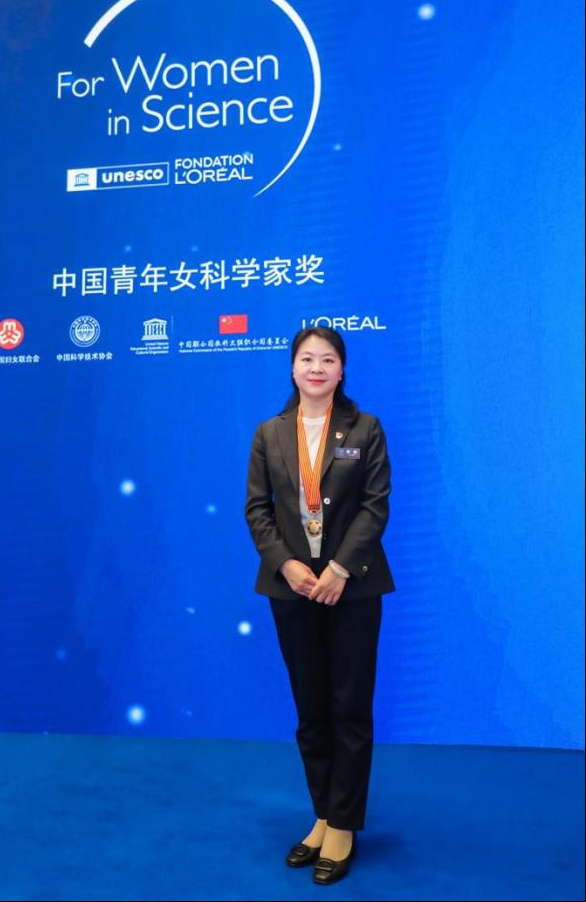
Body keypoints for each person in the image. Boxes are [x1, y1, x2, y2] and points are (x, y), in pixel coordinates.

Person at [245, 326, 394, 886]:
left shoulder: (365, 428)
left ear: (341, 369)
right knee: (311, 710)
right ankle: (324, 815)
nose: (316, 368)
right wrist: (286, 564)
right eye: (306, 358)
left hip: (352, 588)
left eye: (327, 359)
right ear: (292, 368)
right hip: (292, 588)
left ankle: (344, 826)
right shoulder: (269, 432)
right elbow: (257, 510)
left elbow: (375, 507)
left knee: (349, 707)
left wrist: (338, 570)